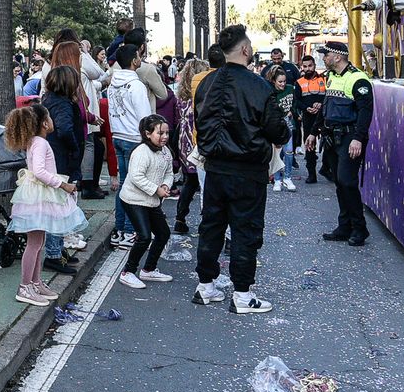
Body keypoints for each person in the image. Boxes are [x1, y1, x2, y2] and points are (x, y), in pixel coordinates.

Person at [191, 25, 289, 314]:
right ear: (245, 50)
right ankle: (243, 294)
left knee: (211, 226)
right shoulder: (259, 86)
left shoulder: (207, 83)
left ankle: (206, 286)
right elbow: (277, 130)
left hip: (216, 168)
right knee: (245, 231)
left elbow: (200, 121)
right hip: (247, 169)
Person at [5, 104, 84, 305]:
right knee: (34, 243)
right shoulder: (40, 143)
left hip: (38, 195)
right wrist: (63, 184)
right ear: (44, 122)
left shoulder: (35, 142)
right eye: (50, 117)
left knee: (38, 243)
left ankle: (35, 282)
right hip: (39, 196)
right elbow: (40, 171)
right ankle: (25, 286)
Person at [317, 41, 376, 247]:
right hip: (332, 137)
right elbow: (328, 106)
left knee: (347, 182)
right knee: (339, 183)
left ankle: (360, 229)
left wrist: (358, 138)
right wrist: (317, 132)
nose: (323, 58)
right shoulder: (331, 76)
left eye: (326, 54)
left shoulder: (358, 79)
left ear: (338, 56)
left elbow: (365, 112)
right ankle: (344, 227)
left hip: (350, 138)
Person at [38, 64, 88, 272]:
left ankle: (57, 248)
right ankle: (54, 253)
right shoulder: (64, 104)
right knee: (59, 208)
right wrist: (75, 148)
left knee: (58, 207)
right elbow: (66, 129)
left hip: (55, 157)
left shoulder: (48, 100)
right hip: (62, 160)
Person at [117, 114, 175, 289]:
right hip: (133, 199)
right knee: (143, 236)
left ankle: (149, 269)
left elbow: (169, 172)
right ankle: (128, 272)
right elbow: (136, 177)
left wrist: (165, 185)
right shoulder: (141, 152)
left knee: (163, 233)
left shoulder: (165, 151)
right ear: (148, 133)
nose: (164, 136)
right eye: (160, 133)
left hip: (152, 201)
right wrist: (156, 190)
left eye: (166, 133)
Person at [105, 44, 153, 250]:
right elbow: (145, 118)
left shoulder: (113, 84)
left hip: (118, 135)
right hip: (134, 137)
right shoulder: (136, 85)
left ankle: (120, 229)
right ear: (134, 61)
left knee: (124, 184)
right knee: (133, 187)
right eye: (138, 56)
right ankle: (129, 231)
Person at [172, 58, 209, 234]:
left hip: (183, 143)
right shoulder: (201, 96)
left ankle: (180, 218)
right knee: (203, 183)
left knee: (190, 182)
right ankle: (205, 221)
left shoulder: (181, 97)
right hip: (197, 142)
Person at [265, 65, 299, 193]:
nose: (283, 84)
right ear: (274, 81)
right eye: (280, 82)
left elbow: (296, 103)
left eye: (284, 81)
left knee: (289, 151)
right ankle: (277, 179)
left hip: (289, 123)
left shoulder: (290, 89)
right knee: (277, 153)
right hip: (275, 125)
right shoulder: (270, 92)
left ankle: (288, 177)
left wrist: (292, 111)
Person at [296, 54, 327, 184]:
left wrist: (321, 104)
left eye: (310, 66)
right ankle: (311, 174)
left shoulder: (325, 80)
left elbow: (329, 95)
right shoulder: (299, 82)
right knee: (309, 146)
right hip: (308, 117)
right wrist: (307, 108)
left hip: (324, 116)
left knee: (329, 145)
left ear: (314, 65)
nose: (308, 68)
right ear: (302, 67)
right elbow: (296, 101)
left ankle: (327, 169)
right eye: (305, 66)